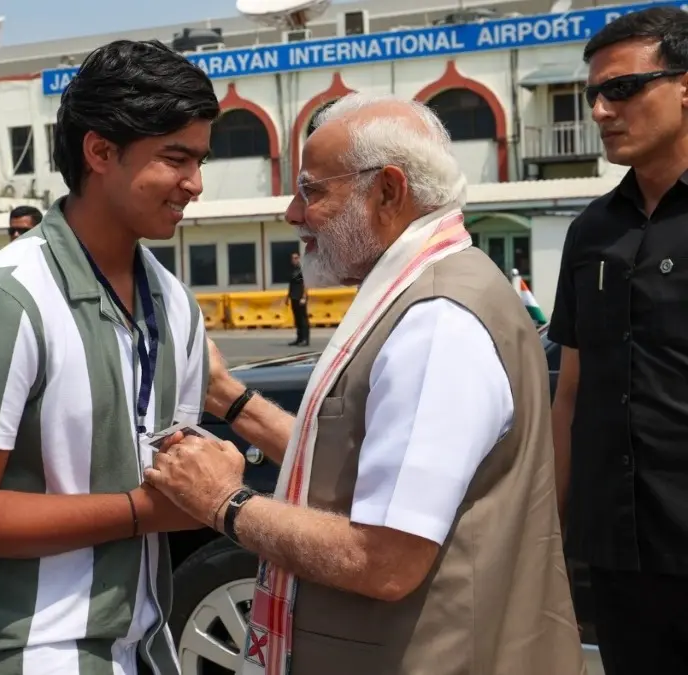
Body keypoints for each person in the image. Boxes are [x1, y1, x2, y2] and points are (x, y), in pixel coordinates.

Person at [143, 92, 585, 675]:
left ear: (388, 191)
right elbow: (351, 464)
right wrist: (229, 397)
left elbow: (385, 560)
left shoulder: (435, 321)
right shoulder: (432, 287)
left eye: (313, 191)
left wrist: (223, 503)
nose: (293, 215)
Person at [0, 39, 218, 675]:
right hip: (26, 656)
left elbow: (174, 472)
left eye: (200, 159)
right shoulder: (7, 300)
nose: (194, 183)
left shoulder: (176, 304)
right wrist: (140, 511)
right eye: (175, 158)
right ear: (100, 151)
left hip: (145, 648)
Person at [549, 7, 688, 673]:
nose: (602, 110)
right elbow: (570, 394)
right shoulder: (591, 234)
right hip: (619, 560)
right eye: (593, 94)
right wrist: (551, 535)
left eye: (623, 88)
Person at [287, 250, 309, 346]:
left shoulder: (301, 270)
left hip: (300, 297)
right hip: (294, 297)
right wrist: (287, 297)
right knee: (297, 319)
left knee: (303, 319)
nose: (294, 260)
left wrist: (304, 296)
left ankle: (305, 339)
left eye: (296, 258)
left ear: (299, 259)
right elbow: (291, 285)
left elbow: (305, 284)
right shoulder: (293, 270)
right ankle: (299, 338)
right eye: (293, 258)